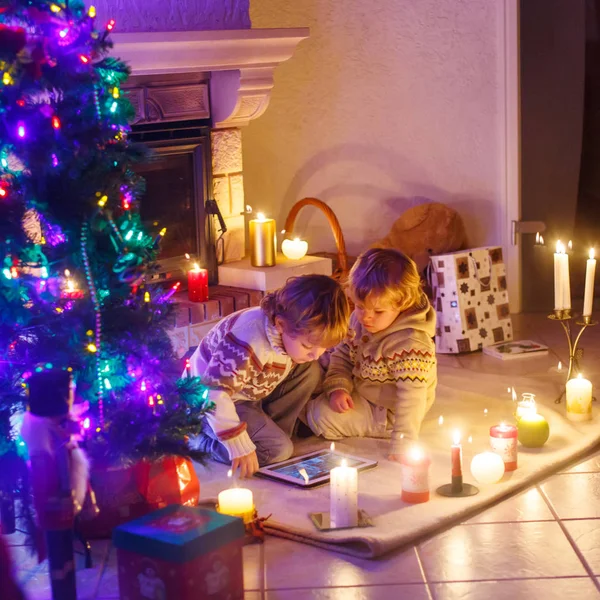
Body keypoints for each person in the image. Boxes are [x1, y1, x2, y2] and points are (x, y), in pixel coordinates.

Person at [191, 274, 350, 477]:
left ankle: (272, 434)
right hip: (207, 405)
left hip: (248, 394)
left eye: (323, 348)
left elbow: (314, 355)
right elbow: (213, 393)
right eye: (308, 346)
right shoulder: (247, 340)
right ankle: (200, 441)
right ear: (281, 325)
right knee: (277, 451)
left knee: (310, 370)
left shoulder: (291, 330)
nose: (315, 354)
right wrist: (237, 444)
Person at [306, 248, 437, 460]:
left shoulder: (411, 343)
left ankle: (299, 417)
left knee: (321, 416)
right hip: (363, 386)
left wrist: (404, 441)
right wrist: (337, 387)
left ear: (402, 305)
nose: (366, 317)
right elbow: (342, 354)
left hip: (387, 413)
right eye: (359, 306)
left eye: (378, 312)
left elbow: (412, 397)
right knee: (312, 365)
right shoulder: (361, 318)